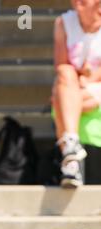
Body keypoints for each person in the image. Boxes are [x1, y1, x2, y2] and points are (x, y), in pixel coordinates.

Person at [52, 0, 101, 188]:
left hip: (91, 87)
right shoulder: (63, 23)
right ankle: (72, 143)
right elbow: (61, 65)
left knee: (60, 99)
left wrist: (88, 77)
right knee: (64, 75)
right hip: (76, 88)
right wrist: (80, 78)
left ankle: (70, 161)